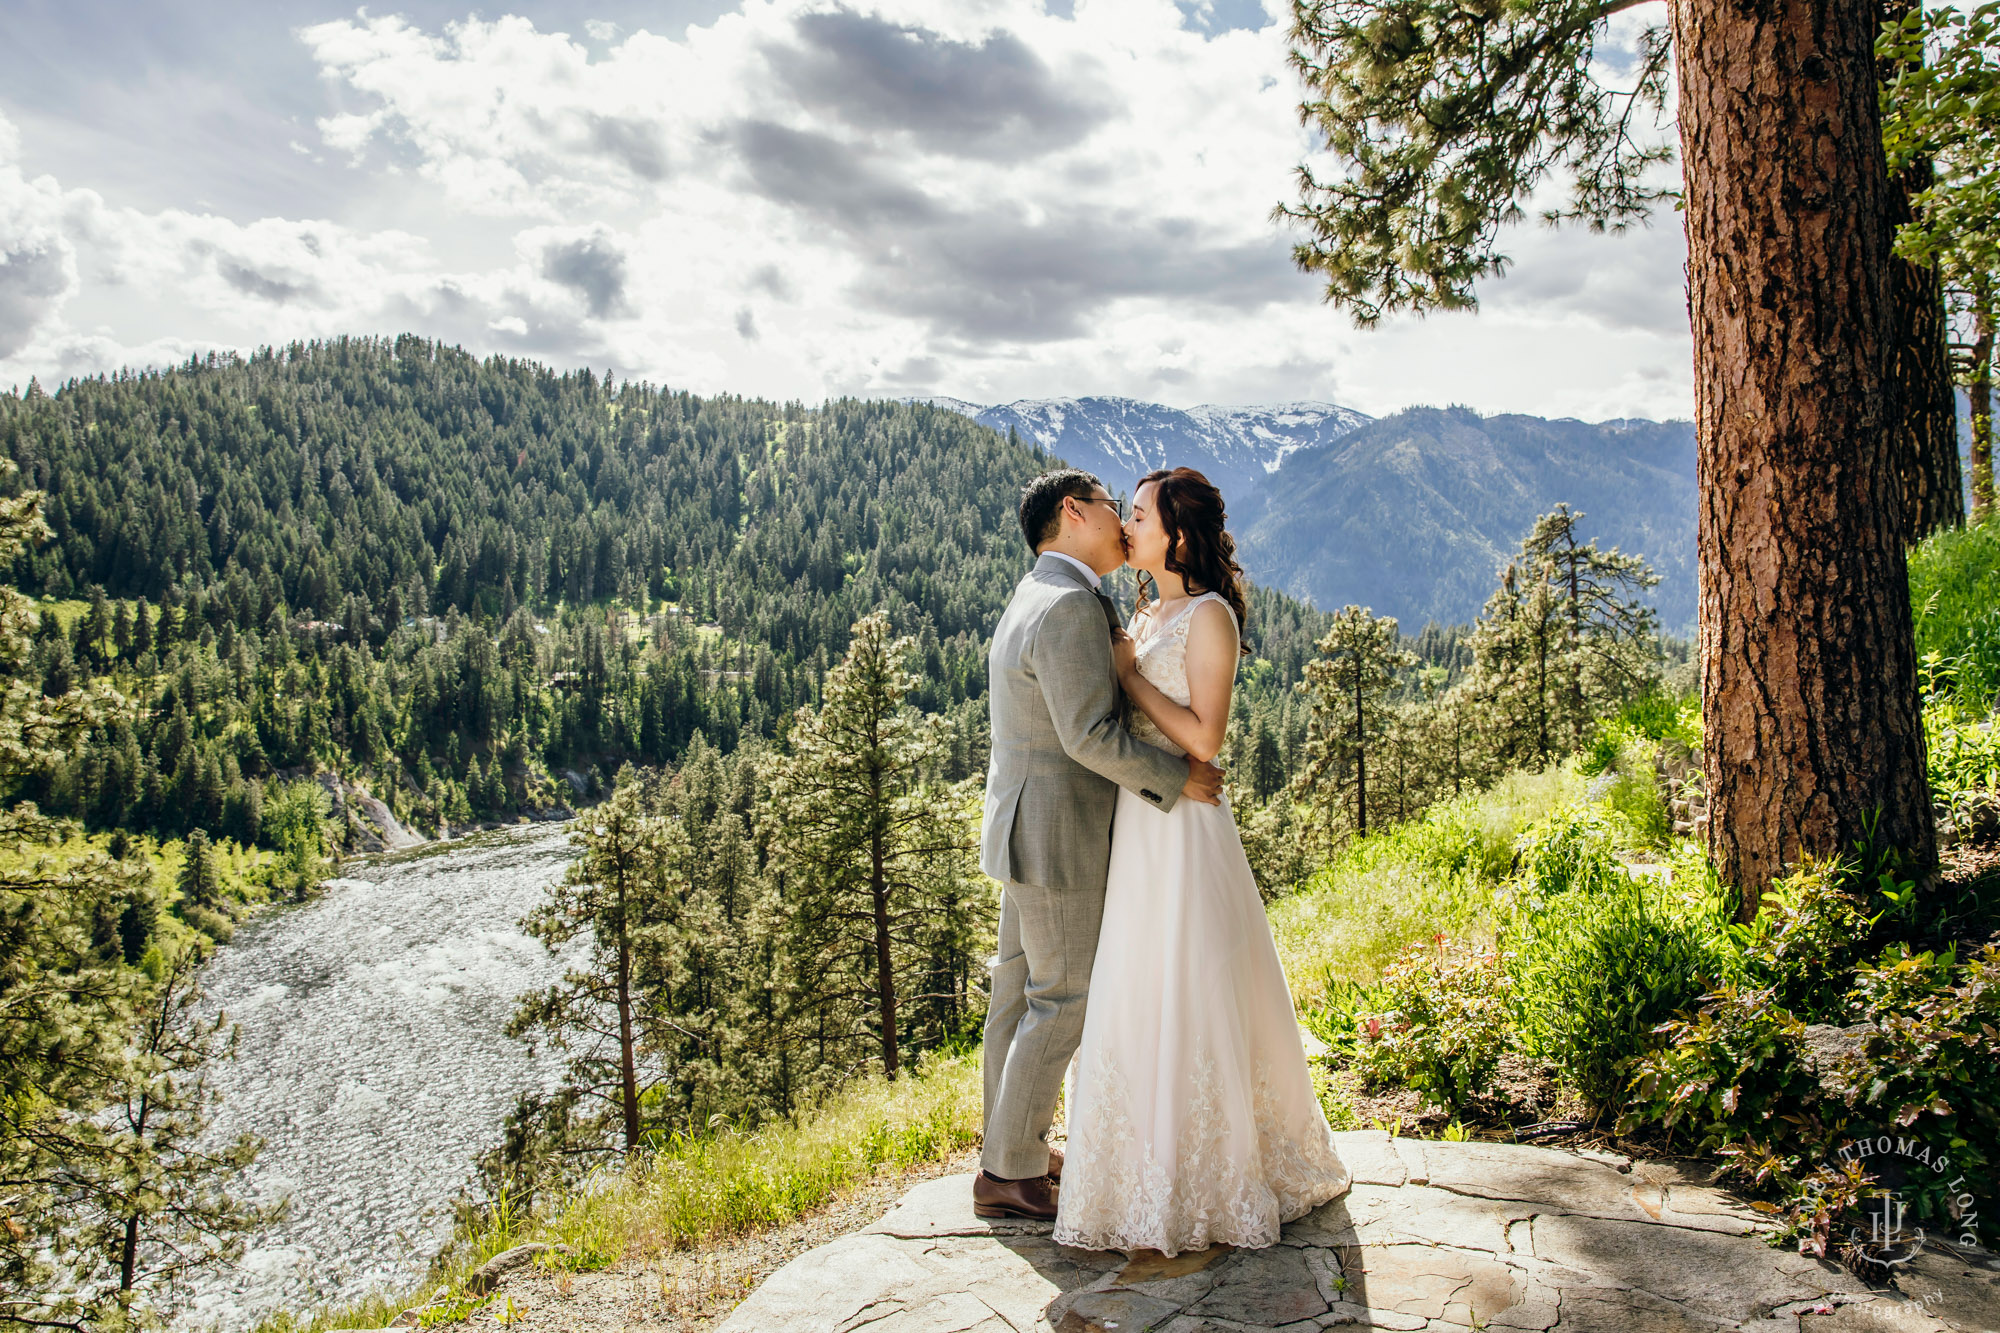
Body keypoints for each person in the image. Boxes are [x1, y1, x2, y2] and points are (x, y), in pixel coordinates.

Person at [1052, 466, 1351, 1256]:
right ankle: (1136, 1167)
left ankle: (1212, 1172)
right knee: (1139, 980)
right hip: (1140, 818)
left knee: (1190, 980)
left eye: (1141, 514)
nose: (1129, 525)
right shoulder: (1151, 611)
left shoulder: (1209, 616)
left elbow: (1205, 738)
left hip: (1184, 824)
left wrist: (1126, 677)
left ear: (1176, 535)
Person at [975, 469, 1225, 1222]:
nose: (1123, 521)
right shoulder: (1071, 604)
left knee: (1016, 994)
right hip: (1058, 837)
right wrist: (1177, 775)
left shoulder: (1036, 592)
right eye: (1116, 507)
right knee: (1061, 1000)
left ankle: (1007, 1142)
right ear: (1075, 512)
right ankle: (1009, 1171)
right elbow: (1088, 733)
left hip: (1022, 827)